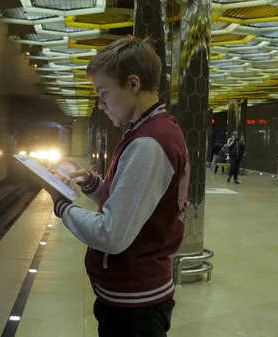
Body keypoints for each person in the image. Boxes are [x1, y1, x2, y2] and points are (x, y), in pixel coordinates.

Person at [51, 36, 190, 337]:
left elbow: (111, 234)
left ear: (133, 84)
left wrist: (63, 206)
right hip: (137, 296)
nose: (101, 104)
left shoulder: (148, 143)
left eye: (104, 93)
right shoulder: (154, 130)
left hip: (134, 307)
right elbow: (135, 203)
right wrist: (88, 182)